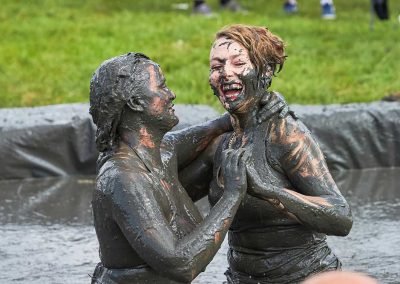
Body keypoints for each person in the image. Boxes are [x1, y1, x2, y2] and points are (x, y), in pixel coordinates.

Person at [89, 52, 286, 283]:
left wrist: (261, 103)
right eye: (161, 87)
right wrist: (232, 195)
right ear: (135, 102)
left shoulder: (159, 153)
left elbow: (218, 126)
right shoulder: (123, 179)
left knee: (218, 148)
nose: (171, 94)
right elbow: (182, 265)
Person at [184, 24, 353, 283]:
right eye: (217, 67)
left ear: (265, 71)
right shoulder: (221, 142)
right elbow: (167, 189)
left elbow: (341, 218)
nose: (226, 73)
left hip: (305, 277)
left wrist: (268, 191)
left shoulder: (285, 133)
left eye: (238, 63)